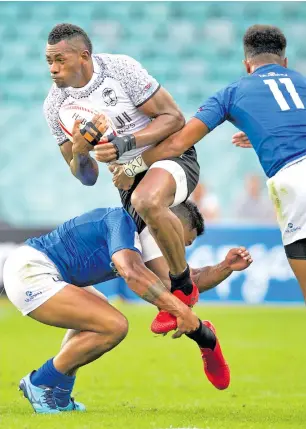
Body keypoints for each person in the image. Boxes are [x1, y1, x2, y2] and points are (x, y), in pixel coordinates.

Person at [3, 201, 252, 414]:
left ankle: (58, 396)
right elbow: (131, 273)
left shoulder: (144, 239)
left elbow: (184, 283)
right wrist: (180, 311)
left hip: (44, 270)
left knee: (99, 313)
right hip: (31, 270)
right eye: (182, 242)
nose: (181, 250)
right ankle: (40, 382)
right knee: (113, 325)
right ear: (170, 224)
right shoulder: (121, 222)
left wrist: (224, 267)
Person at [116, 24, 306, 301]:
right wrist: (269, 135)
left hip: (293, 181)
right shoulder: (301, 81)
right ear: (285, 62)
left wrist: (131, 168)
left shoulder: (233, 92)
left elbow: (178, 143)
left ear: (247, 64)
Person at [44, 23, 200, 329]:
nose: (53, 69)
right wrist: (80, 152)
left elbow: (174, 118)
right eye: (49, 61)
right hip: (127, 182)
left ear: (84, 56)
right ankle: (206, 340)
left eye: (60, 60)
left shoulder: (120, 69)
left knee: (146, 200)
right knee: (160, 287)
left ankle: (184, 284)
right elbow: (86, 178)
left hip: (170, 157)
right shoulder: (55, 107)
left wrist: (126, 144)